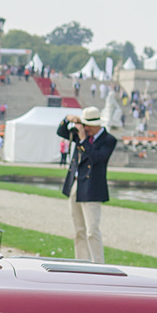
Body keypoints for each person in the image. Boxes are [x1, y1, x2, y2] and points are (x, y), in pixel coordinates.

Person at [57, 106, 117, 261]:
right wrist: (67, 119)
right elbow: (61, 132)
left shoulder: (108, 140)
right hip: (76, 184)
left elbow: (97, 158)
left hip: (92, 187)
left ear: (97, 125)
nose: (85, 128)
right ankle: (81, 261)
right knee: (79, 230)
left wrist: (84, 139)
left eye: (87, 125)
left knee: (92, 230)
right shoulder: (80, 135)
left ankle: (98, 263)